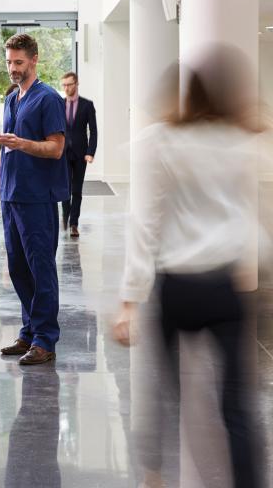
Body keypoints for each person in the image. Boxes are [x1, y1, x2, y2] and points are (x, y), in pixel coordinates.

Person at [112, 47, 268, 488]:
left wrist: (129, 299)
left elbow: (146, 223)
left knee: (163, 393)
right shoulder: (240, 142)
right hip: (224, 285)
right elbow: (252, 212)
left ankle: (155, 476)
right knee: (237, 406)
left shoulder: (163, 140)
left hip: (179, 285)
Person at [0, 33, 69, 365]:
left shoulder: (48, 99)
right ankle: (30, 331)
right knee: (18, 269)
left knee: (40, 269)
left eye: (18, 62)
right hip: (11, 195)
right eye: (9, 62)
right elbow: (4, 149)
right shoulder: (11, 100)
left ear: (34, 60)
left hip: (37, 197)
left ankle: (45, 339)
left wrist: (23, 144)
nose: (13, 68)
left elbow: (56, 148)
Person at [59, 71, 97, 237]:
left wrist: (91, 152)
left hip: (81, 153)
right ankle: (65, 218)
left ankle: (74, 223)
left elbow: (93, 131)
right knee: (64, 188)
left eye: (69, 84)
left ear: (76, 84)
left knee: (77, 190)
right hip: (62, 152)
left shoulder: (87, 105)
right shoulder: (59, 104)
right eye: (64, 85)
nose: (67, 88)